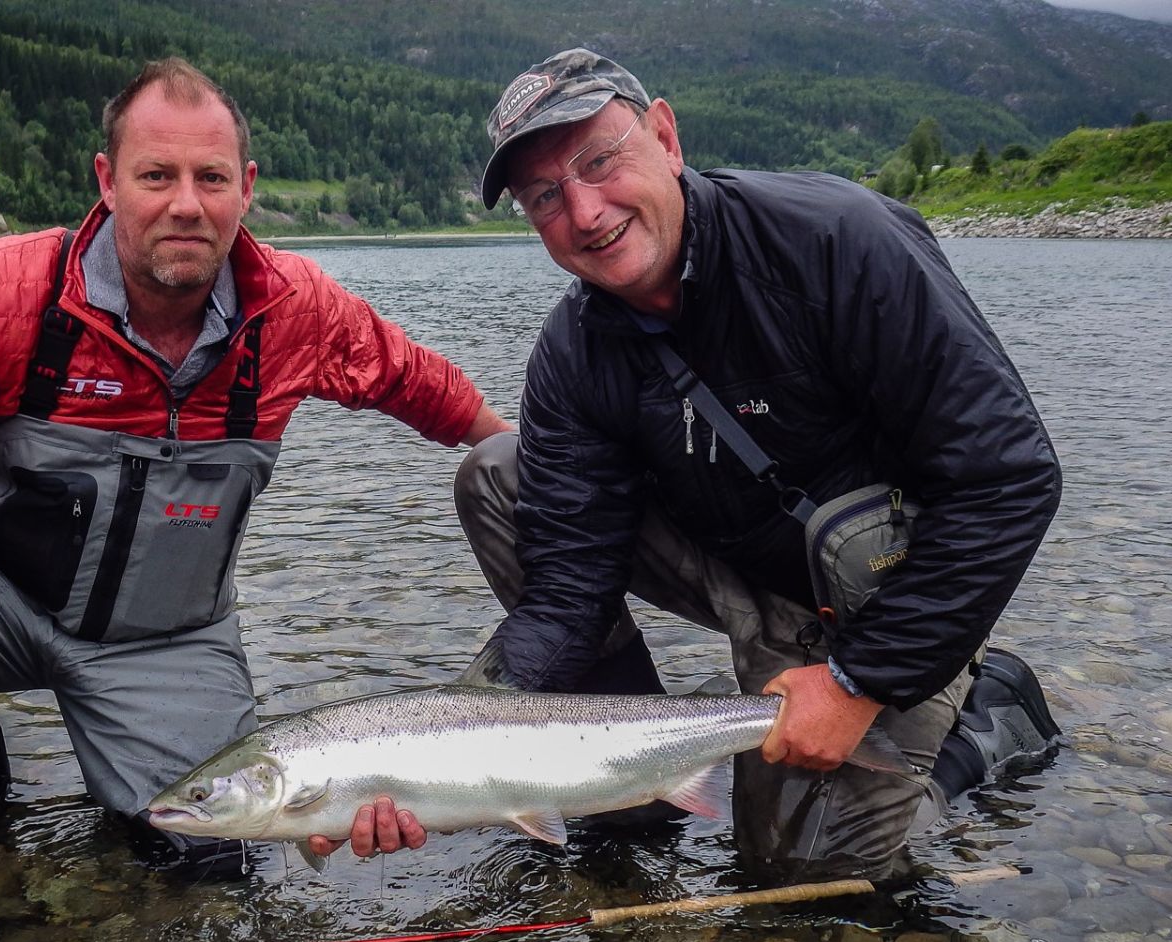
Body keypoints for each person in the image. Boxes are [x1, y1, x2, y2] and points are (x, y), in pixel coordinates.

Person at [0, 57, 506, 879]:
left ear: (247, 187)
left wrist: (524, 464)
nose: (185, 204)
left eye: (210, 178)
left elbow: (425, 388)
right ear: (107, 180)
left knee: (212, 856)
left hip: (169, 642)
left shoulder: (294, 310)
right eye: (156, 175)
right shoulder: (0, 290)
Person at [448, 48, 1063, 882]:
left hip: (871, 599)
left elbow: (1008, 478)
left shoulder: (839, 242)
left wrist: (858, 681)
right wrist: (456, 727)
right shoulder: (571, 355)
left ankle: (983, 722)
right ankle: (632, 783)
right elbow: (566, 591)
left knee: (809, 880)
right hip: (736, 563)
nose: (586, 212)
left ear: (664, 134)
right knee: (499, 472)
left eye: (600, 161)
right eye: (546, 197)